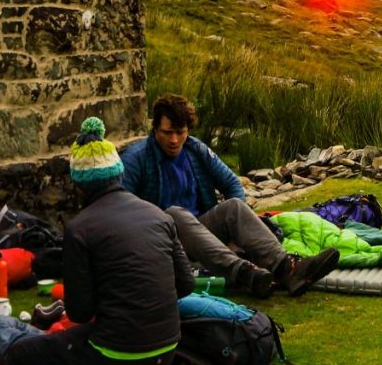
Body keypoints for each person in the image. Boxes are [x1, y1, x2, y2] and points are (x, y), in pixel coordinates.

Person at [6, 117, 195, 365]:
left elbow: (80, 313)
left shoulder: (80, 229)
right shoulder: (159, 216)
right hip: (167, 349)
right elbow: (186, 284)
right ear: (119, 172)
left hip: (117, 355)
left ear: (79, 183)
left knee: (19, 356)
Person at [121, 93, 340, 298]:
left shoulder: (196, 150)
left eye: (181, 132)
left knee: (234, 206)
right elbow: (122, 208)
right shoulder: (136, 159)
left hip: (200, 231)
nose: (175, 140)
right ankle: (245, 273)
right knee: (175, 214)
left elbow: (232, 184)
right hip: (163, 238)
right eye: (167, 133)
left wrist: (234, 238)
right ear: (155, 129)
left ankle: (288, 268)